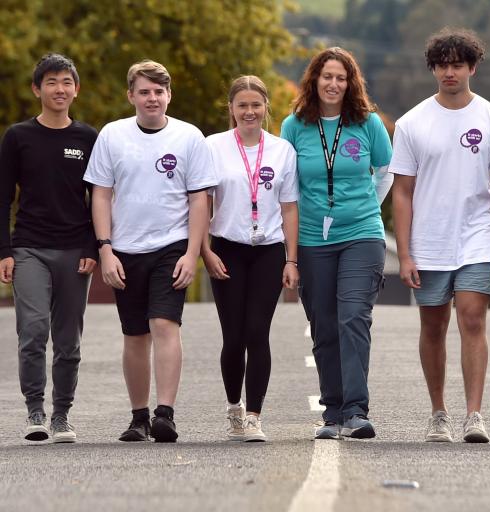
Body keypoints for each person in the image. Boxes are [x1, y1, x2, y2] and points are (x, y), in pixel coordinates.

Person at [390, 28, 490, 443]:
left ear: (472, 67)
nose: (449, 72)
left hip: (478, 235)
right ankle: (438, 412)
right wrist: (404, 254)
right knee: (433, 326)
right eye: (442, 65)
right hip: (429, 241)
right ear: (433, 69)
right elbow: (402, 193)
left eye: (457, 64)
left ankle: (473, 415)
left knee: (472, 318)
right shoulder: (411, 123)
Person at [84, 60, 216, 442]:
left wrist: (192, 254)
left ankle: (165, 414)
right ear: (131, 96)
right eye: (144, 91)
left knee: (163, 324)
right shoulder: (112, 135)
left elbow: (199, 201)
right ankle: (138, 417)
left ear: (169, 95)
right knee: (135, 334)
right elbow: (101, 195)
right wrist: (105, 249)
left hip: (170, 247)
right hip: (124, 248)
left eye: (159, 91)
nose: (152, 98)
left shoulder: (189, 137)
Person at [281, 47, 393, 440]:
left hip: (361, 234)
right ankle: (332, 412)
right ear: (314, 80)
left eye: (341, 78)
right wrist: (291, 252)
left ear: (351, 83)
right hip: (313, 239)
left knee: (353, 318)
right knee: (324, 324)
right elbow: (287, 185)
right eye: (326, 76)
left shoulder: (367, 123)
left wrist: (363, 209)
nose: (333, 84)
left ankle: (356, 411)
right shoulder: (294, 126)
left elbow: (384, 172)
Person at [0, 54, 97, 443]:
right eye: (52, 82)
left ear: (76, 89)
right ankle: (35, 411)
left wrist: (94, 245)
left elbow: (100, 198)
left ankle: (62, 416)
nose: (60, 89)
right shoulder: (17, 137)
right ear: (36, 89)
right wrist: (4, 251)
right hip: (29, 249)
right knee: (34, 330)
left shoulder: (88, 138)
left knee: (69, 339)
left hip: (76, 250)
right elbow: (3, 197)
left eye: (66, 82)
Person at [202, 76, 299, 442]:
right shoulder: (212, 147)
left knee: (258, 332)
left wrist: (292, 260)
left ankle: (255, 415)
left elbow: (290, 208)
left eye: (256, 105)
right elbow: (200, 203)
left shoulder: (281, 151)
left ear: (266, 108)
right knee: (234, 336)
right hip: (226, 248)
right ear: (231, 109)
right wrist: (204, 251)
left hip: (268, 251)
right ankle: (234, 409)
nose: (249, 112)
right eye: (242, 105)